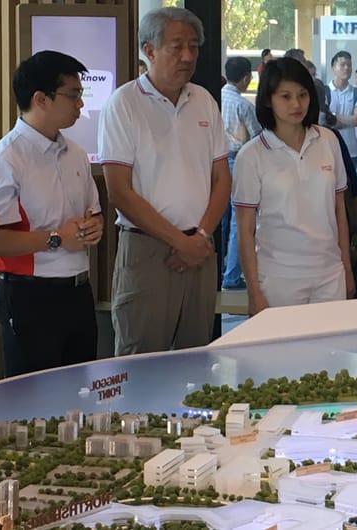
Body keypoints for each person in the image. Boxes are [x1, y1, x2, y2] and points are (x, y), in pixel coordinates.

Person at [0, 51, 103, 380]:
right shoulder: (5, 160)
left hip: (79, 289)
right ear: (41, 99)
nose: (80, 104)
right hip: (30, 296)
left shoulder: (76, 153)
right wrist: (57, 238)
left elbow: (94, 211)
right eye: (73, 95)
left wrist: (94, 227)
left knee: (80, 388)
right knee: (35, 395)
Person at [99, 7, 228, 355]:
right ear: (149, 50)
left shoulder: (204, 100)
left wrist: (200, 238)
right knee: (141, 358)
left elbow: (222, 179)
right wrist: (179, 242)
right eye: (177, 46)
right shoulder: (124, 103)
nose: (188, 56)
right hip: (148, 248)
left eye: (194, 46)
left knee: (196, 357)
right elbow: (119, 191)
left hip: (200, 247)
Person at [232, 58, 353, 314]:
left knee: (330, 341)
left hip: (330, 274)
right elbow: (244, 230)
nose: (296, 104)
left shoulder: (328, 140)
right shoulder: (251, 155)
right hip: (278, 278)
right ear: (268, 100)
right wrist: (254, 291)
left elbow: (339, 210)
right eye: (285, 96)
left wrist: (346, 268)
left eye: (302, 95)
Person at [220, 56, 262, 291]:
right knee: (239, 220)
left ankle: (220, 269)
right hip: (238, 161)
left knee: (221, 219)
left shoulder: (214, 99)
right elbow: (257, 137)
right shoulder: (243, 105)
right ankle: (232, 275)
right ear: (246, 78)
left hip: (216, 162)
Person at [326, 51, 357, 165]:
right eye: (342, 65)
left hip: (350, 150)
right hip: (328, 149)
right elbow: (324, 121)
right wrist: (350, 120)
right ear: (333, 68)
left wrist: (333, 117)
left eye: (349, 65)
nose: (347, 68)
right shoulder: (325, 91)